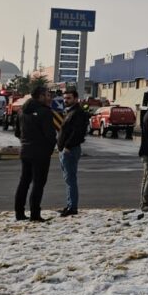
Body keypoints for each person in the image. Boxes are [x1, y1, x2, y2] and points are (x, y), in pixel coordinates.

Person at [14, 86, 57, 222]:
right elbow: (50, 134)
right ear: (40, 96)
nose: (50, 98)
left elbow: (17, 132)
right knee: (38, 183)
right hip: (40, 153)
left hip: (25, 151)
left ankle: (19, 213)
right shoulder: (45, 112)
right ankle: (35, 214)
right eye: (47, 95)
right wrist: (49, 149)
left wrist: (25, 141)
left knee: (24, 182)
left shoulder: (21, 111)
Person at [56, 89, 89, 217]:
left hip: (70, 150)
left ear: (75, 99)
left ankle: (72, 207)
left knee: (71, 179)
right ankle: (70, 205)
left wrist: (68, 146)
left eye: (69, 98)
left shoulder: (77, 113)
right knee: (68, 179)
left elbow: (77, 133)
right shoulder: (70, 112)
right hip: (65, 150)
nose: (66, 100)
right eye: (65, 98)